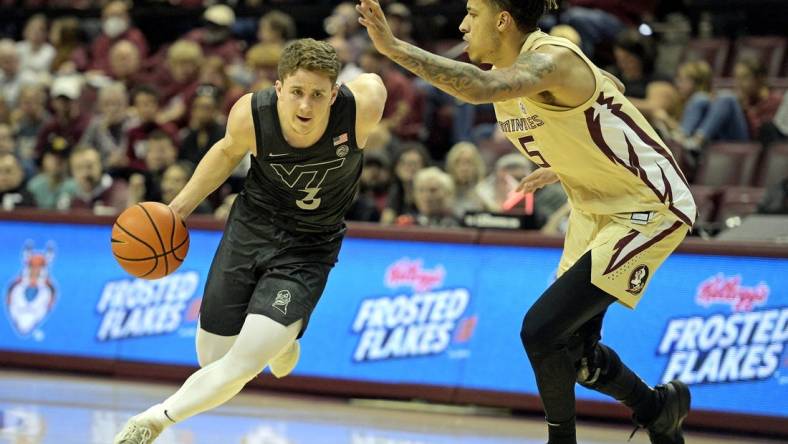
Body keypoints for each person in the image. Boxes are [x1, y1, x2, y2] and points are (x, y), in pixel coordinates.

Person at [357, 1, 695, 443]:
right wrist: (566, 164)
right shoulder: (519, 70)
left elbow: (478, 87)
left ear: (502, 19)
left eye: (472, 13)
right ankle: (657, 409)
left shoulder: (552, 59)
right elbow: (604, 101)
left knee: (541, 331)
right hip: (592, 207)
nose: (462, 24)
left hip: (647, 207)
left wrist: (395, 47)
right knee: (576, 355)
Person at [113, 38, 386, 444]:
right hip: (251, 229)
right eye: (296, 92)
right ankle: (282, 344)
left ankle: (152, 421)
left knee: (241, 364)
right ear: (278, 89)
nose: (305, 107)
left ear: (334, 93)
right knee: (212, 360)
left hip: (308, 248)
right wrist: (177, 211)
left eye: (317, 95)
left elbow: (375, 80)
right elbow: (225, 154)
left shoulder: (360, 107)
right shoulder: (252, 113)